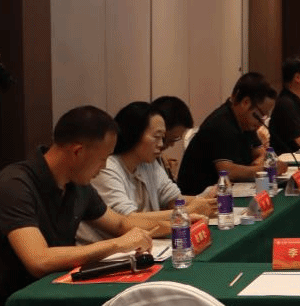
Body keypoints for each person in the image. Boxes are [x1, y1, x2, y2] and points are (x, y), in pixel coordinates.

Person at [0, 106, 154, 306]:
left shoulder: (77, 186)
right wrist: (117, 245)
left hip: (53, 297)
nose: (104, 167)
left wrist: (176, 224)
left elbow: (120, 224)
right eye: (103, 158)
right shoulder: (15, 186)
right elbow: (38, 260)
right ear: (78, 152)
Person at [79, 102, 216, 244]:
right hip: (110, 249)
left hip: (142, 243)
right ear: (134, 133)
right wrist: (186, 212)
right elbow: (127, 220)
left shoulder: (148, 162)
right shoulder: (106, 168)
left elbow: (174, 199)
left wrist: (207, 200)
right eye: (156, 137)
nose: (161, 144)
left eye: (162, 138)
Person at [176, 73, 276, 195]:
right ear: (245, 102)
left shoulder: (246, 122)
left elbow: (261, 153)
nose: (262, 121)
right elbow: (228, 172)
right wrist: (267, 169)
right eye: (261, 114)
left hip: (227, 192)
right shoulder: (220, 124)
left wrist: (258, 163)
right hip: (200, 197)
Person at [150, 95, 194, 180]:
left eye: (176, 139)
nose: (172, 144)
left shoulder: (162, 160)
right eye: (170, 139)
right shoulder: (142, 163)